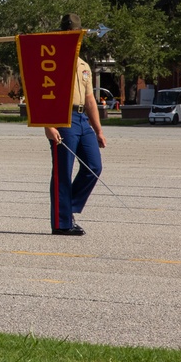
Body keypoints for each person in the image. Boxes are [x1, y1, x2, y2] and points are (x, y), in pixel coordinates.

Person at [46, 13, 106, 236]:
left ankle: (66, 209)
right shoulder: (51, 61)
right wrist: (47, 125)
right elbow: (42, 96)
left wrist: (98, 129)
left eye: (78, 35)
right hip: (61, 119)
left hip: (82, 119)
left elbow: (90, 99)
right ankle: (61, 223)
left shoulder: (83, 64)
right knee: (63, 171)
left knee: (94, 166)